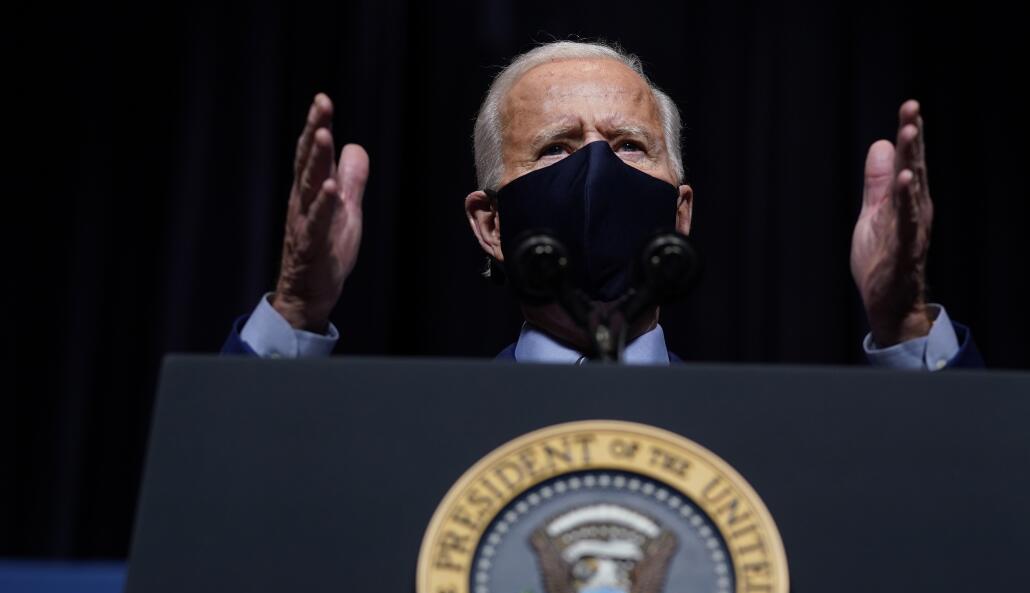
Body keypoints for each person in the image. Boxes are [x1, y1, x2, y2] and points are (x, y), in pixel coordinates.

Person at [222, 40, 981, 369]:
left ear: (680, 212)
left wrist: (905, 323)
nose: (595, 169)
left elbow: (964, 519)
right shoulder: (416, 429)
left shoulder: (763, 429)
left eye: (628, 146)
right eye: (555, 149)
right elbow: (229, 505)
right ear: (490, 224)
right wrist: (295, 305)